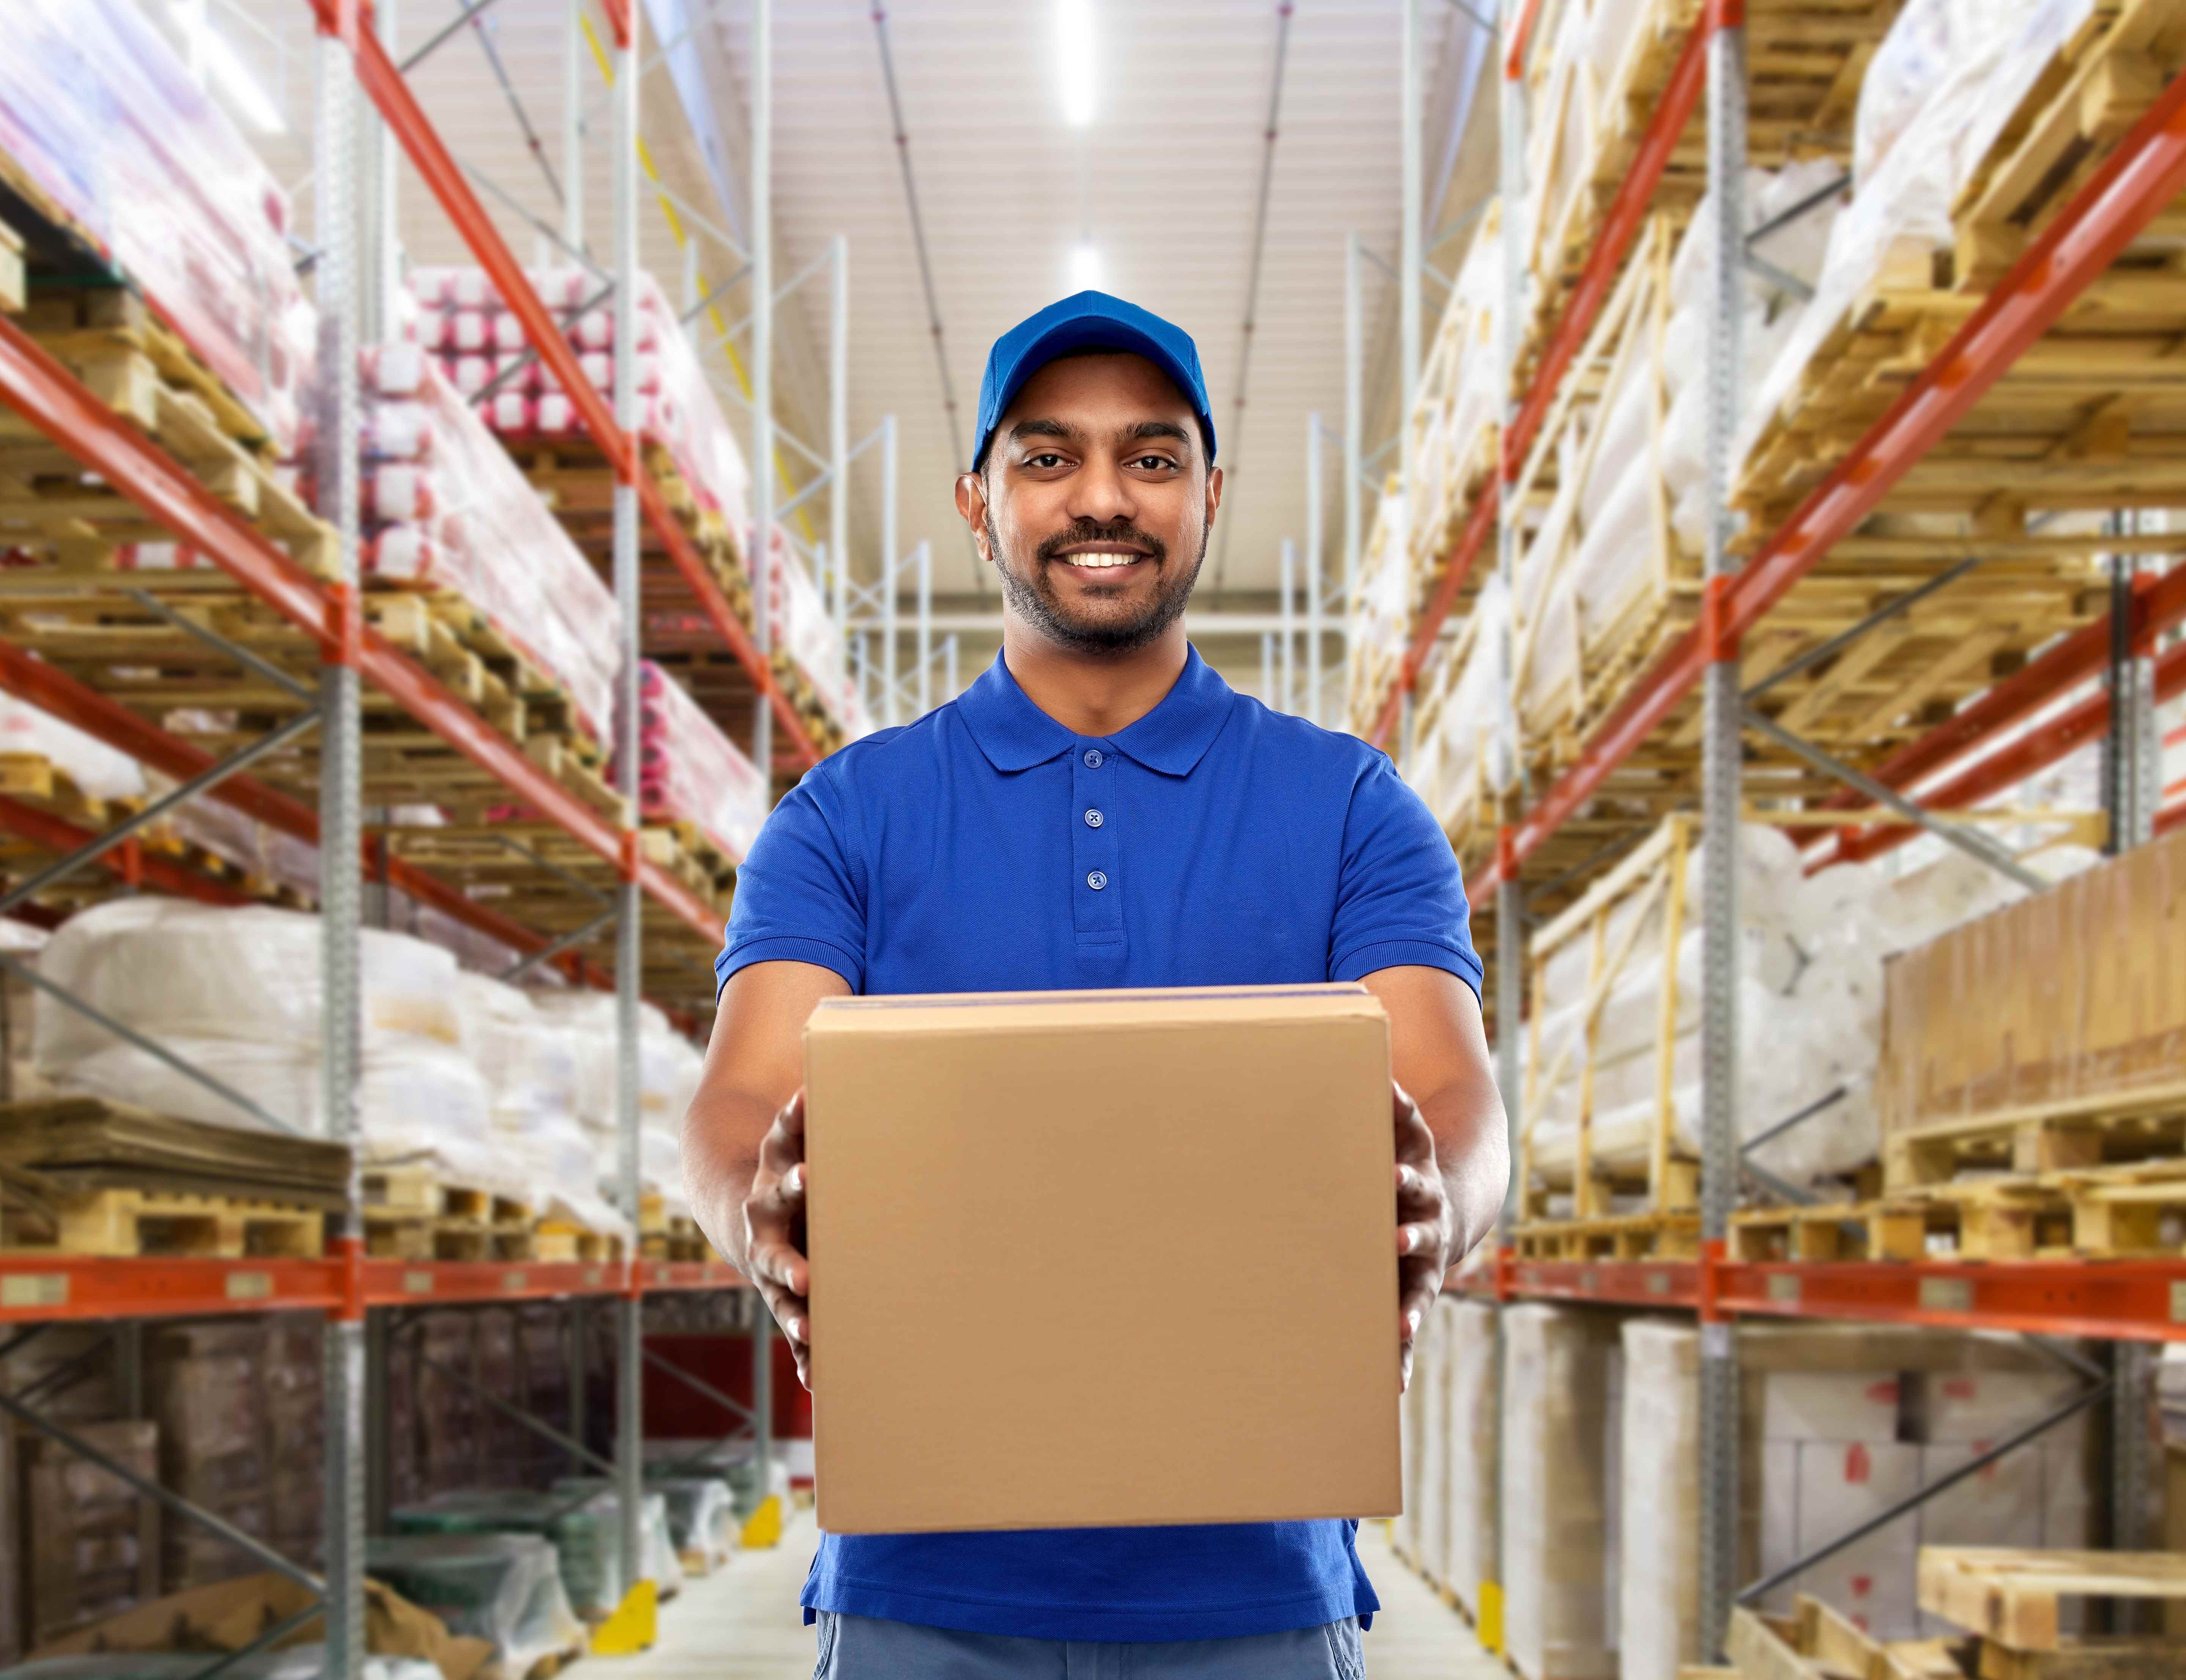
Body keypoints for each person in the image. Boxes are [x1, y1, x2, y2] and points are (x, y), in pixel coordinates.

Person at [682, 291, 1509, 1678]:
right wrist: (756, 1206)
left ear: (1208, 492)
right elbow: (740, 1099)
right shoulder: (847, 815)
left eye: (1153, 456)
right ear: (978, 499)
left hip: (1256, 1584)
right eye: (1049, 457)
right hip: (917, 1588)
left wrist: (1444, 1209)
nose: (1103, 499)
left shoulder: (1352, 805)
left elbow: (1454, 1098)